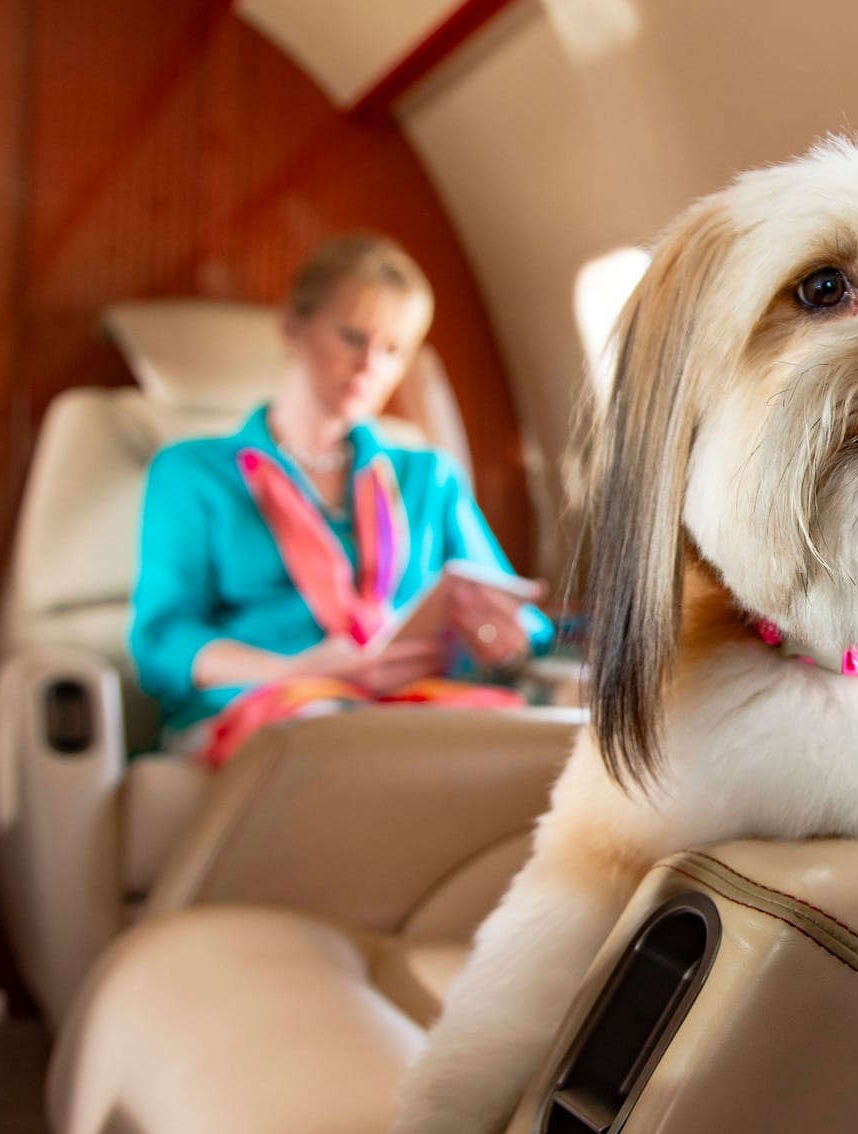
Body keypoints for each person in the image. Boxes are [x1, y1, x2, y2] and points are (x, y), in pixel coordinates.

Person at [128, 233, 555, 766]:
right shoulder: (194, 472)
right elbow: (163, 641)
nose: (370, 364)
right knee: (331, 737)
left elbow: (519, 620)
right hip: (271, 702)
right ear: (292, 328)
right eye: (353, 336)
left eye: (393, 349)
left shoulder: (426, 475)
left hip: (404, 704)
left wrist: (500, 641)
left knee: (514, 739)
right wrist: (296, 671)